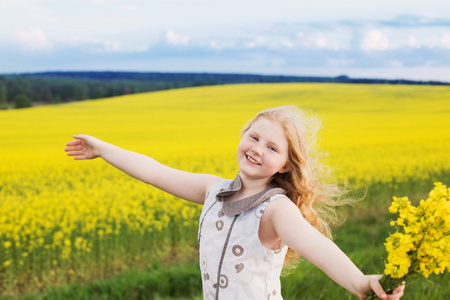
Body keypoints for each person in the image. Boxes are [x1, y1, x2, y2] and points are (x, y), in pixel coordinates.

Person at [65, 105, 405, 300]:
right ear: (241, 138)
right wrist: (102, 149)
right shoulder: (212, 189)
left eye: (272, 148)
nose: (257, 148)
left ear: (286, 164)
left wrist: (361, 282)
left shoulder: (275, 208)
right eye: (253, 137)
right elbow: (154, 171)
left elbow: (317, 246)